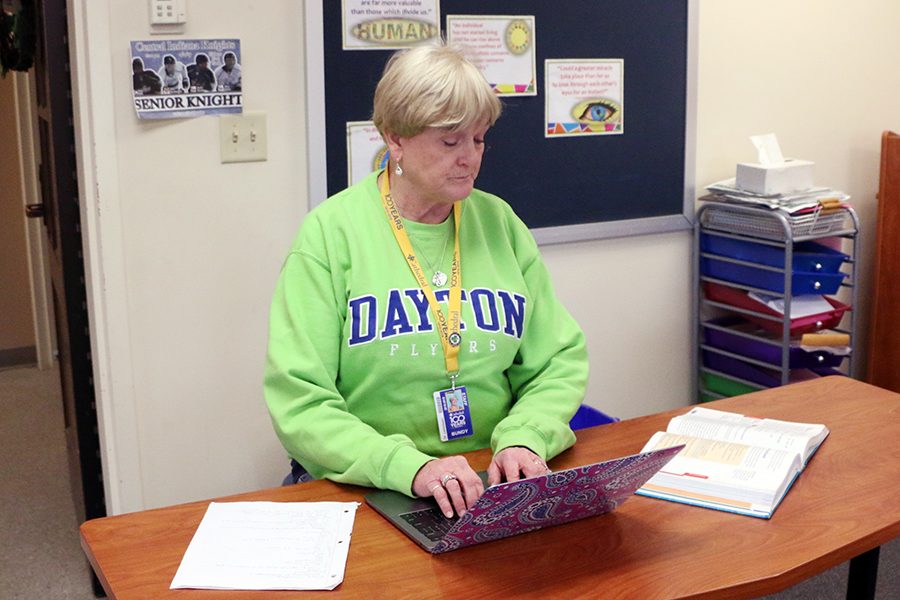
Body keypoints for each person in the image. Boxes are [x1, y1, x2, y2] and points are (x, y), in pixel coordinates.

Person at [264, 44, 588, 519]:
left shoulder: (499, 223)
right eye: (450, 142)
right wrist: (406, 467)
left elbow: (555, 362)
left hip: (486, 482)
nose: (469, 159)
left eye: (478, 140)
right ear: (395, 139)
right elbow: (301, 401)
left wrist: (526, 436)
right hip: (371, 486)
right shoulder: (330, 235)